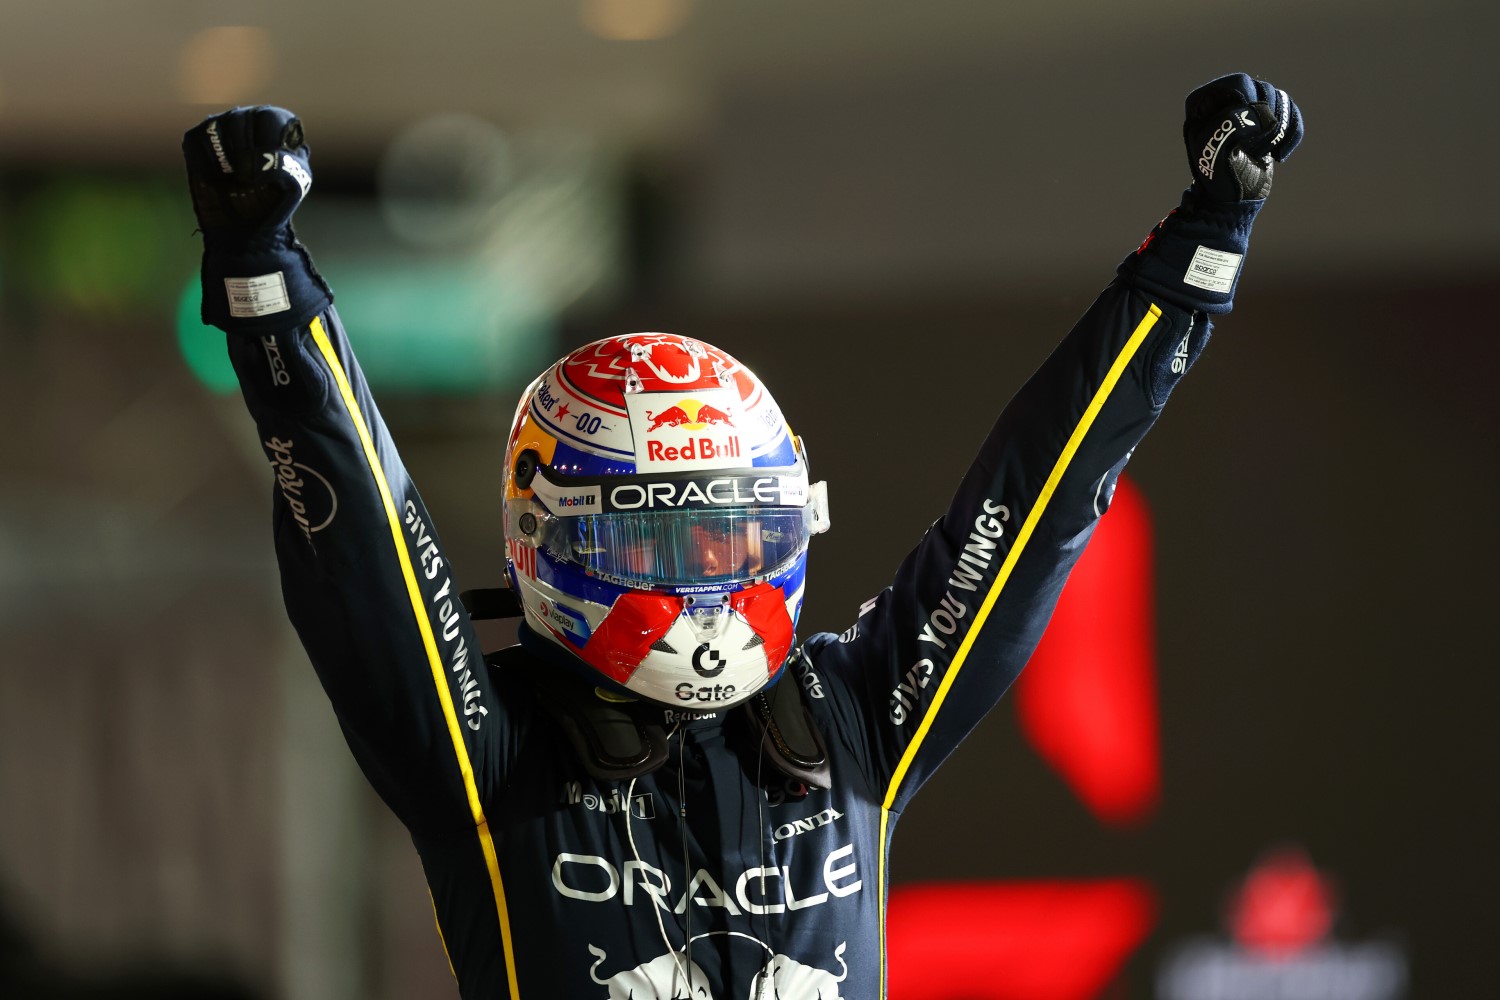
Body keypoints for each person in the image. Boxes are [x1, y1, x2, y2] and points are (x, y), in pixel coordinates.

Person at [181, 74, 1302, 999]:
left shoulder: (853, 719)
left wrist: (1198, 254)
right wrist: (263, 280)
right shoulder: (487, 755)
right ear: (547, 542)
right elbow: (367, 545)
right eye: (661, 541)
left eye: (735, 535)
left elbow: (1034, 503)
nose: (708, 581)